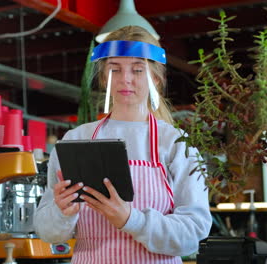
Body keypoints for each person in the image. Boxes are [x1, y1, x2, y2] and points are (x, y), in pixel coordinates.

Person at [34, 25, 212, 264]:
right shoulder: (75, 141)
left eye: (137, 70)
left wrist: (131, 220)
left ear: (156, 79)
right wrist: (61, 212)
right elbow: (48, 233)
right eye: (114, 70)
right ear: (104, 77)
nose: (125, 79)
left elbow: (194, 232)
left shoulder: (177, 144)